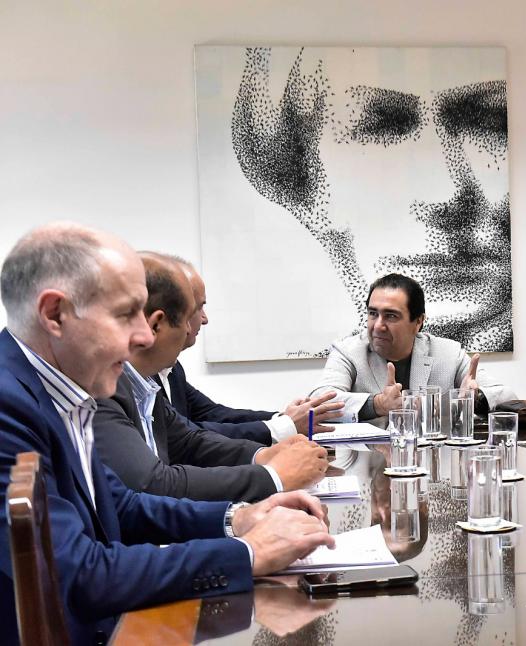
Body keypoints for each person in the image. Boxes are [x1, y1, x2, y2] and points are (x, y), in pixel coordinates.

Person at [0, 223, 335, 644]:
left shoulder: (60, 389)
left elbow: (120, 506)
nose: (144, 335)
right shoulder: (8, 406)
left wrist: (237, 518)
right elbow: (78, 574)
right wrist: (248, 553)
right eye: (126, 314)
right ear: (55, 315)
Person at [223, 47, 512, 354]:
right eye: (381, 127)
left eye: (487, 122)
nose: (449, 199)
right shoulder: (340, 369)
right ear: (303, 177)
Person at [92, 253, 331, 502]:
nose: (192, 327)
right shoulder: (103, 388)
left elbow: (188, 441)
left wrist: (262, 455)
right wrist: (273, 476)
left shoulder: (145, 382)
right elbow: (153, 484)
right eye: (189, 316)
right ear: (156, 325)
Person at [155, 257, 344, 444]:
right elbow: (186, 435)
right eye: (198, 307)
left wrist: (284, 418)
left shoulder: (173, 368)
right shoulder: (145, 378)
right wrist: (285, 426)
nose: (205, 319)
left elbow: (213, 414)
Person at [309, 273, 515, 420]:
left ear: (418, 322)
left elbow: (508, 397)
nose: (378, 325)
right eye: (373, 313)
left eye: (391, 316)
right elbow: (318, 402)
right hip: (369, 463)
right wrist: (378, 404)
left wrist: (476, 398)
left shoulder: (449, 354)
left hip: (432, 462)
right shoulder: (348, 352)